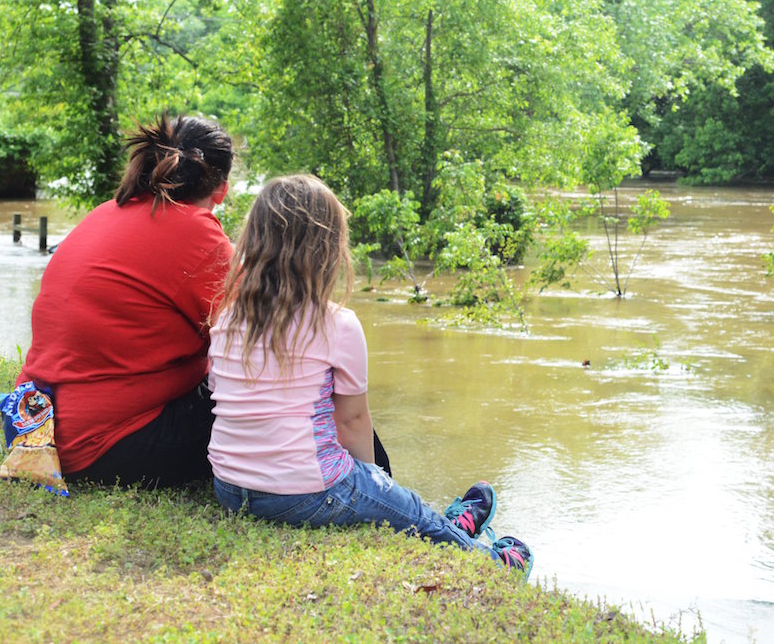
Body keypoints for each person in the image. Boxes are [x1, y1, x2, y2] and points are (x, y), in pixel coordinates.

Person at [207, 175, 532, 577]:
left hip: (229, 488)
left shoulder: (227, 316)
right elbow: (352, 421)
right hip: (303, 493)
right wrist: (376, 486)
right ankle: (497, 565)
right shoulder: (335, 324)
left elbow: (223, 395)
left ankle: (454, 526)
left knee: (398, 504)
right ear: (326, 248)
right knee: (406, 508)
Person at [17, 114, 234, 488]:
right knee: (301, 395)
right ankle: (370, 480)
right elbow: (261, 343)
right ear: (222, 190)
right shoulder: (197, 233)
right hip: (99, 445)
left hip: (37, 427)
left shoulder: (106, 211)